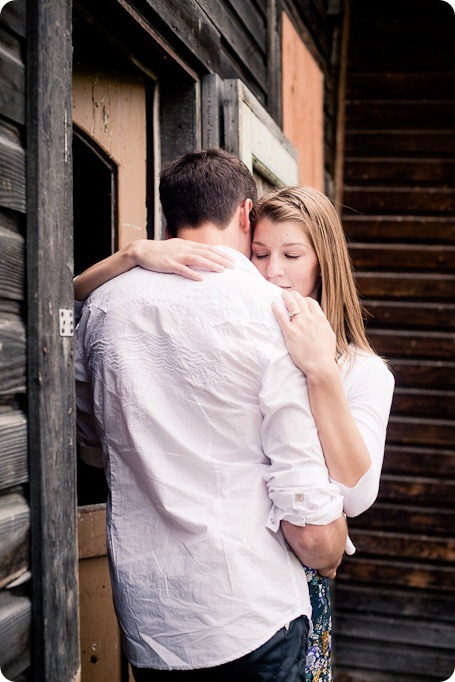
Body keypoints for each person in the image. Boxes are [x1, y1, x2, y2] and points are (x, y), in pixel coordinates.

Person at [75, 179, 394, 681]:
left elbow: (356, 495)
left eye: (292, 255)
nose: (273, 272)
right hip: (242, 589)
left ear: (324, 263)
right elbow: (58, 310)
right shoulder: (258, 330)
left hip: (291, 596)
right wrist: (132, 255)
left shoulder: (362, 371)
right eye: (260, 253)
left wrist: (322, 374)